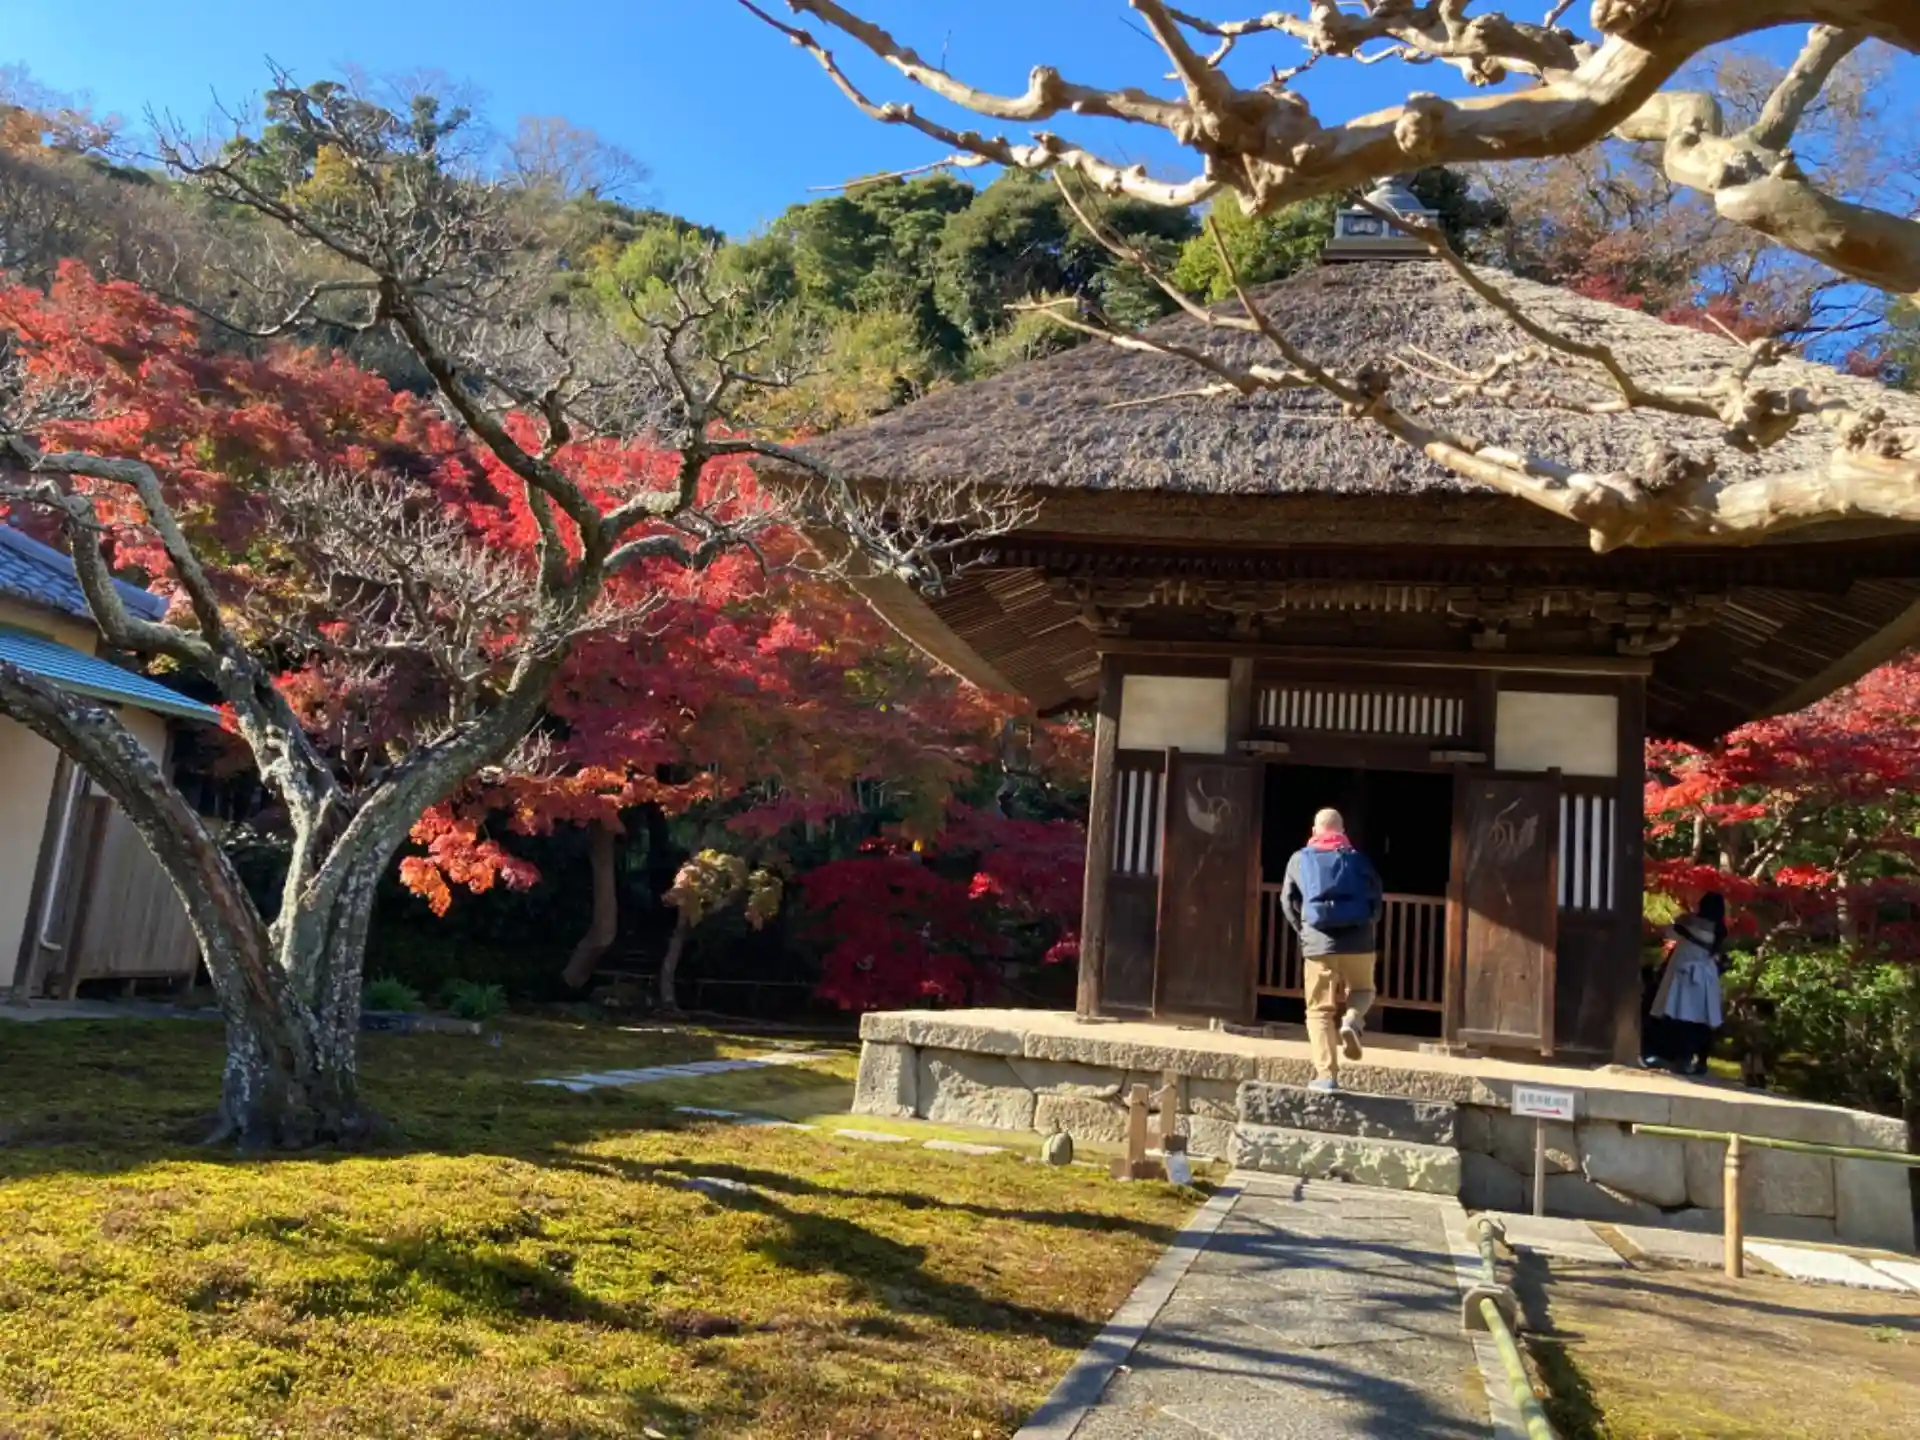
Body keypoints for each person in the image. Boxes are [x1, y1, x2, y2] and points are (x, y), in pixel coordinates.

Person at [1282, 808, 1384, 1092]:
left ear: (1315, 831)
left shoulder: (1299, 859)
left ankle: (1326, 1075)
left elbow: (1287, 901)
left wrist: (1304, 932)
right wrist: (1368, 925)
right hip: (1359, 942)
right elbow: (1376, 899)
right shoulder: (1358, 860)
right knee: (1363, 990)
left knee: (1319, 1011)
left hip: (1318, 944)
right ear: (1342, 831)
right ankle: (1352, 1020)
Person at [1645, 894, 1727, 1076]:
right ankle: (1700, 1061)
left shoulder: (1689, 923)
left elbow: (1668, 932)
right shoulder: (1720, 930)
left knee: (1680, 1015)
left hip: (1684, 976)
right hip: (1706, 977)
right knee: (1702, 1019)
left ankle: (1678, 1057)